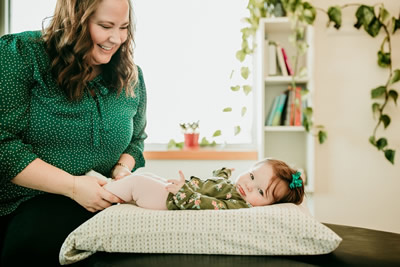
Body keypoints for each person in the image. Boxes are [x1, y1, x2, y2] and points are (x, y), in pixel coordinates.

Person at [0, 0, 147, 265]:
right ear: (74, 21)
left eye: (124, 27)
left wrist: (122, 171)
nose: (116, 38)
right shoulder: (21, 54)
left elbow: (135, 142)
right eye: (105, 26)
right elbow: (3, 146)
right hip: (29, 204)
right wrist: (74, 187)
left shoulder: (131, 76)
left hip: (100, 205)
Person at [97, 158, 304, 210]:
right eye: (251, 176)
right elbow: (218, 183)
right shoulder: (237, 190)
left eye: (260, 191)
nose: (249, 186)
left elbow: (208, 204)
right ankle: (109, 186)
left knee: (138, 182)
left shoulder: (239, 205)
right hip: (179, 191)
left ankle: (101, 192)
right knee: (149, 176)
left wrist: (183, 194)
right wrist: (223, 172)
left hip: (175, 202)